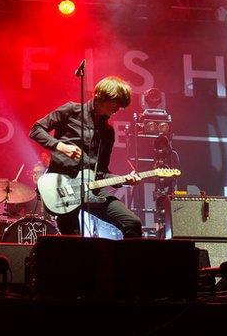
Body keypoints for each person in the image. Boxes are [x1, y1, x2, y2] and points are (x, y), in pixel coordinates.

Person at [29, 75, 142, 238]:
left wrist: (124, 179)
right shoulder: (71, 111)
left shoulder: (108, 132)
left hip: (92, 190)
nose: (118, 108)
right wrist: (60, 146)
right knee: (75, 243)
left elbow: (101, 172)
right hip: (63, 189)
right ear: (102, 96)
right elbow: (36, 130)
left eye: (121, 105)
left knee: (132, 223)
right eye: (116, 102)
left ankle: (125, 263)